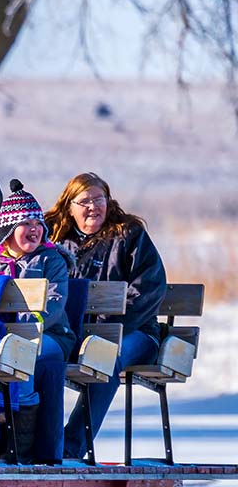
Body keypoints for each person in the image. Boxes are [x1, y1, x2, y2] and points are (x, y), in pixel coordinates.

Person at [44, 173, 167, 459]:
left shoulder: (129, 235)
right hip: (76, 335)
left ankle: (71, 447)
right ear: (69, 206)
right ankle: (34, 443)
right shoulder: (55, 240)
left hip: (134, 334)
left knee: (105, 358)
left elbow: (149, 288)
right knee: (39, 357)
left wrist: (112, 328)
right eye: (84, 201)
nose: (92, 207)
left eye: (99, 199)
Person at [0, 180, 76, 465]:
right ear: (8, 229)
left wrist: (30, 325)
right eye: (25, 223)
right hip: (0, 334)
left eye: (37, 222)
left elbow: (55, 303)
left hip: (50, 335)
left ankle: (24, 446)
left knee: (24, 355)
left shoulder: (50, 260)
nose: (34, 228)